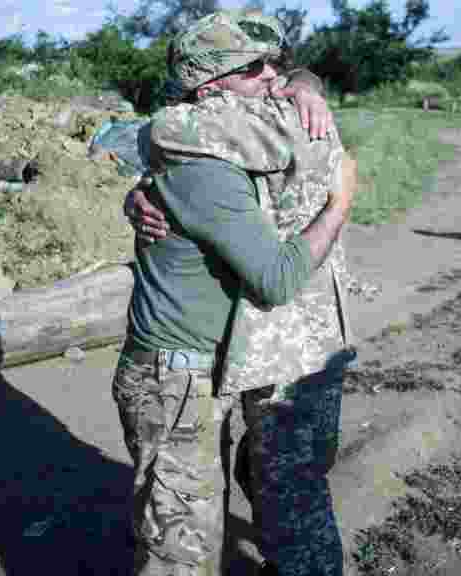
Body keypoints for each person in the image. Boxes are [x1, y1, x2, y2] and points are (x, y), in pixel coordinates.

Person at [111, 9, 358, 576]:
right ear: (211, 86)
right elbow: (274, 275)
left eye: (278, 64)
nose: (273, 76)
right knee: (182, 548)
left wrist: (306, 81)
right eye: (255, 68)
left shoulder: (235, 138)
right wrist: (340, 205)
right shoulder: (198, 153)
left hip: (218, 366)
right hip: (175, 376)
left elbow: (287, 114)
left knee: (239, 495)